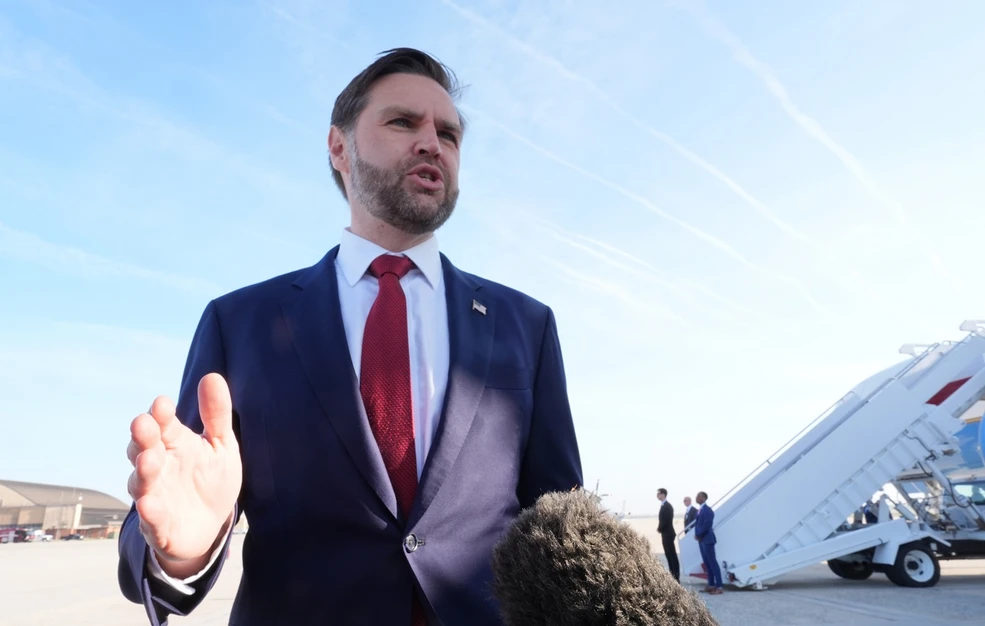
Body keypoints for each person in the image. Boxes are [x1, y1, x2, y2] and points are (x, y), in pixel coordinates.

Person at [118, 47, 583, 626]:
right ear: (339, 148)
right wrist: (181, 551)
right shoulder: (239, 323)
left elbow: (560, 524)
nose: (432, 144)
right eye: (403, 122)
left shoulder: (526, 325)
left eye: (448, 134)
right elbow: (177, 494)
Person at [693, 491, 723, 594]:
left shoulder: (708, 510)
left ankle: (719, 586)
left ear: (704, 498)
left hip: (707, 540)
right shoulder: (700, 510)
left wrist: (699, 534)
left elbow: (707, 525)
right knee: (707, 563)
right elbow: (698, 524)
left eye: (699, 496)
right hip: (701, 540)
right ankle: (711, 584)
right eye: (697, 496)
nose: (697, 497)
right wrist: (697, 534)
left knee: (712, 563)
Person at [656, 487, 679, 581]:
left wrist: (659, 528)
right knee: (668, 555)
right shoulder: (663, 505)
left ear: (663, 494)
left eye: (658, 494)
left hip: (668, 533)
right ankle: (672, 574)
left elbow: (666, 520)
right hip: (665, 533)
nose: (657, 496)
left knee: (672, 555)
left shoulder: (667, 506)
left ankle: (676, 576)